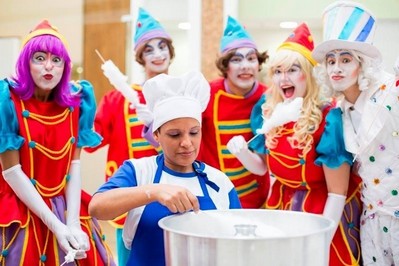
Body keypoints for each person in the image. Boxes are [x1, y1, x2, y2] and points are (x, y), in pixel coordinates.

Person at [228, 23, 362, 265]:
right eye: (278, 71)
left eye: (292, 70)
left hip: (320, 211)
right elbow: (263, 168)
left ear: (309, 75)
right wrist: (242, 153)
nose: (283, 78)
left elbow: (337, 192)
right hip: (281, 205)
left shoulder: (328, 118)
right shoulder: (268, 110)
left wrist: (321, 242)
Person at [88, 71, 241, 266]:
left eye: (194, 132)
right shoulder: (140, 171)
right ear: (157, 135)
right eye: (175, 135)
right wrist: (153, 192)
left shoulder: (219, 182)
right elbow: (97, 207)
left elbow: (236, 247)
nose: (187, 143)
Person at [0, 20, 115, 265]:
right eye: (39, 58)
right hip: (22, 207)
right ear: (25, 63)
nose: (49, 67)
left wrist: (72, 222)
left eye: (57, 60)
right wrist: (56, 225)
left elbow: (73, 166)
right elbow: (11, 172)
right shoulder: (8, 101)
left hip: (64, 203)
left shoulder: (77, 103)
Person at [84, 7, 174, 265]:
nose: (157, 54)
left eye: (162, 47)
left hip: (172, 192)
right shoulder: (117, 99)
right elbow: (91, 143)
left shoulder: (183, 93)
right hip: (130, 199)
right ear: (140, 58)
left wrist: (153, 130)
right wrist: (82, 108)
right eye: (149, 49)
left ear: (170, 51)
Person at [312, 1, 399, 265]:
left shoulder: (391, 96)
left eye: (346, 59)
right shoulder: (339, 111)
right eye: (331, 61)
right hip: (371, 222)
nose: (336, 68)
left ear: (362, 64)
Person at [197, 15, 270, 208]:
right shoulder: (207, 94)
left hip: (257, 198)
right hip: (214, 195)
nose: (245, 65)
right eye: (237, 59)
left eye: (251, 58)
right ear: (225, 66)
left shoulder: (270, 96)